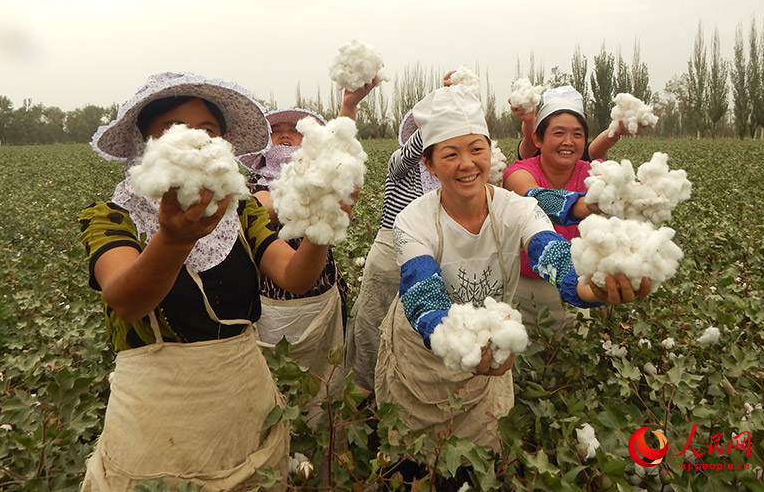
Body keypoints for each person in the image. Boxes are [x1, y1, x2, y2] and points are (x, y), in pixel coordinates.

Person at [79, 71, 340, 491]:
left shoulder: (240, 213)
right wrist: (174, 237)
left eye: (207, 130)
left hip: (243, 400)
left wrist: (323, 223)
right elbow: (126, 301)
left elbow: (294, 278)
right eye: (173, 129)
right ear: (146, 145)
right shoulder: (112, 216)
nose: (194, 141)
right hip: (154, 418)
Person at [374, 85, 650, 453]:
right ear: (429, 164)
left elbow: (553, 255)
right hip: (422, 358)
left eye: (477, 149)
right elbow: (423, 294)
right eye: (451, 154)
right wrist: (459, 345)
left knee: (481, 456)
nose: (467, 164)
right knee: (413, 457)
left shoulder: (517, 210)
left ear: (490, 152)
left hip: (488, 353)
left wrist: (592, 288)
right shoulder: (412, 220)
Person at [238, 82, 375, 404]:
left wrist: (349, 106)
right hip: (267, 300)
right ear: (263, 143)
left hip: (321, 291)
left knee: (324, 383)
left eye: (293, 131)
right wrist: (316, 192)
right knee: (276, 388)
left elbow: (339, 154)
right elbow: (263, 207)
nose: (284, 136)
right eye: (276, 131)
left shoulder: (321, 174)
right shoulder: (247, 187)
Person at [345, 72, 457, 394]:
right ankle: (360, 403)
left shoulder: (448, 175)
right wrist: (446, 103)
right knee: (371, 330)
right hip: (391, 260)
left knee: (415, 337)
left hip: (431, 263)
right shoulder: (400, 163)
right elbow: (412, 152)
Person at [504, 85, 637, 327]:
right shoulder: (520, 171)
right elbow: (534, 198)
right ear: (537, 138)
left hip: (576, 282)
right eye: (558, 133)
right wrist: (580, 205)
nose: (568, 142)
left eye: (577, 134)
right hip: (522, 289)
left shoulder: (593, 172)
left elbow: (623, 189)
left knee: (572, 355)